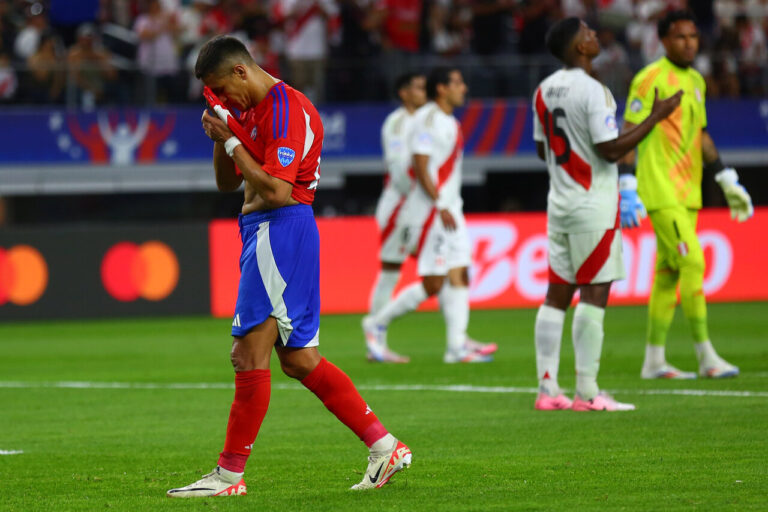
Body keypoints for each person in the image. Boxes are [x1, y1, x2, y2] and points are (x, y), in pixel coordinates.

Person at [166, 35, 411, 498]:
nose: (222, 99)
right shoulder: (250, 110)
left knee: (247, 354)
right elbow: (225, 183)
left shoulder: (285, 108)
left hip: (279, 229)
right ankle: (385, 447)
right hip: (264, 233)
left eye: (223, 90)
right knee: (299, 360)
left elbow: (278, 191)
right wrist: (223, 131)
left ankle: (228, 476)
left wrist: (234, 140)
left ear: (241, 71)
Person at [531, 17, 681, 412]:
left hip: (559, 203)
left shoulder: (543, 90)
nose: (595, 35)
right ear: (579, 47)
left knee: (556, 295)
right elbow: (610, 149)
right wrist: (657, 116)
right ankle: (587, 393)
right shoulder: (594, 90)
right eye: (588, 33)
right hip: (592, 204)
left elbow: (541, 150)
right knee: (594, 293)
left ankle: (547, 392)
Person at [620, 10, 753, 380]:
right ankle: (706, 356)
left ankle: (654, 360)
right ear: (663, 40)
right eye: (680, 37)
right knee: (693, 263)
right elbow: (629, 130)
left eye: (693, 36)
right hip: (659, 189)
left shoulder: (696, 80)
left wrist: (725, 177)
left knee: (666, 274)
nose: (690, 42)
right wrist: (627, 182)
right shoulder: (649, 79)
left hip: (689, 190)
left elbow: (702, 134)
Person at [363, 67, 497, 364]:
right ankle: (376, 324)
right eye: (458, 83)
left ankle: (457, 345)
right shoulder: (420, 121)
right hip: (423, 210)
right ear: (443, 89)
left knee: (459, 272)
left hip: (448, 208)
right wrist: (436, 203)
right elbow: (416, 166)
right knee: (424, 279)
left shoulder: (445, 120)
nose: (464, 88)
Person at [365, 71, 426, 363]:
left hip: (416, 208)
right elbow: (399, 169)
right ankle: (375, 340)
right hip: (399, 210)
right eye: (417, 87)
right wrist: (421, 195)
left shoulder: (424, 121)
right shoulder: (397, 123)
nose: (422, 91)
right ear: (403, 93)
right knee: (391, 272)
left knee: (448, 269)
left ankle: (459, 339)